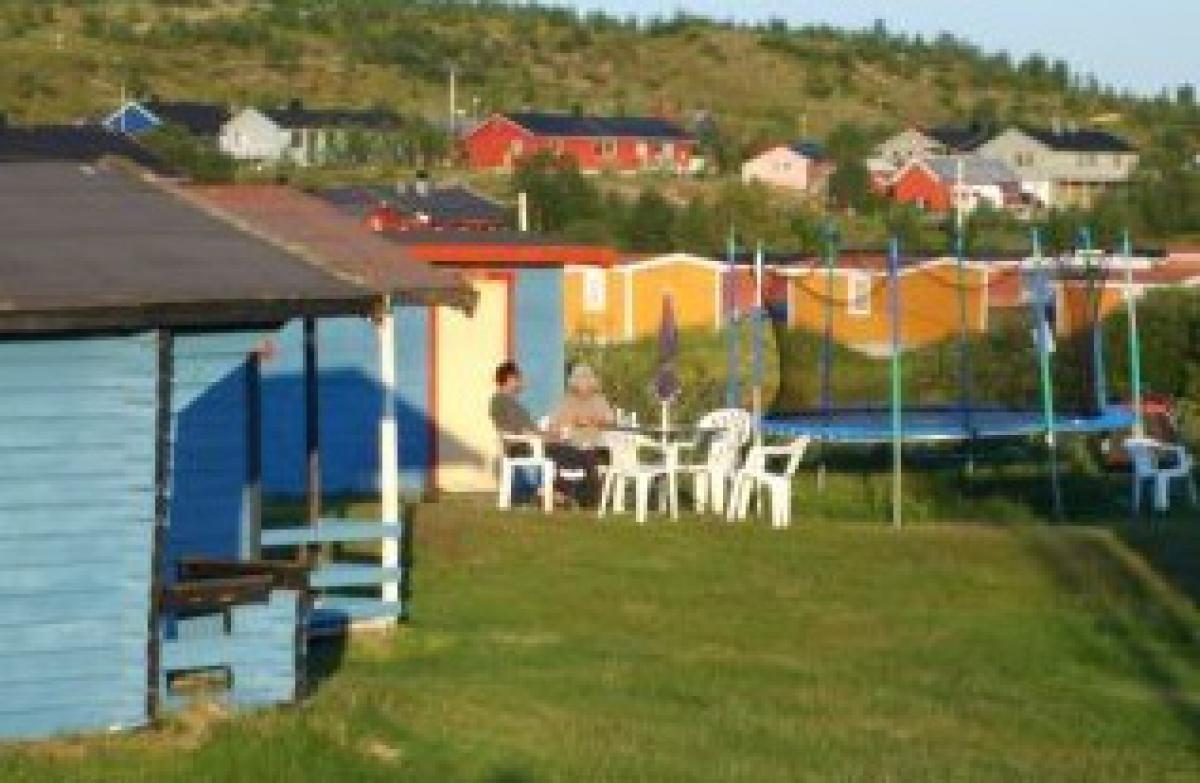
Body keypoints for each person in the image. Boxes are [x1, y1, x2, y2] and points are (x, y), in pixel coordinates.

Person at [489, 361, 598, 507]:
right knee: (580, 455)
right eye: (519, 379)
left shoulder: (513, 403)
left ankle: (567, 495)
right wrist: (545, 437)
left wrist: (551, 435)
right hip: (523, 446)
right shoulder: (500, 401)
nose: (522, 383)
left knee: (579, 453)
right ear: (510, 379)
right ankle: (583, 498)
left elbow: (530, 429)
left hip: (532, 442)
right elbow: (520, 430)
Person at [548, 363, 615, 449]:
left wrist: (599, 421)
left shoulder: (599, 400)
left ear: (592, 381)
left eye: (586, 378)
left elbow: (610, 420)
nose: (583, 381)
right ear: (574, 381)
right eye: (579, 378)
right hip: (571, 443)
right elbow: (555, 423)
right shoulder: (567, 400)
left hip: (595, 441)